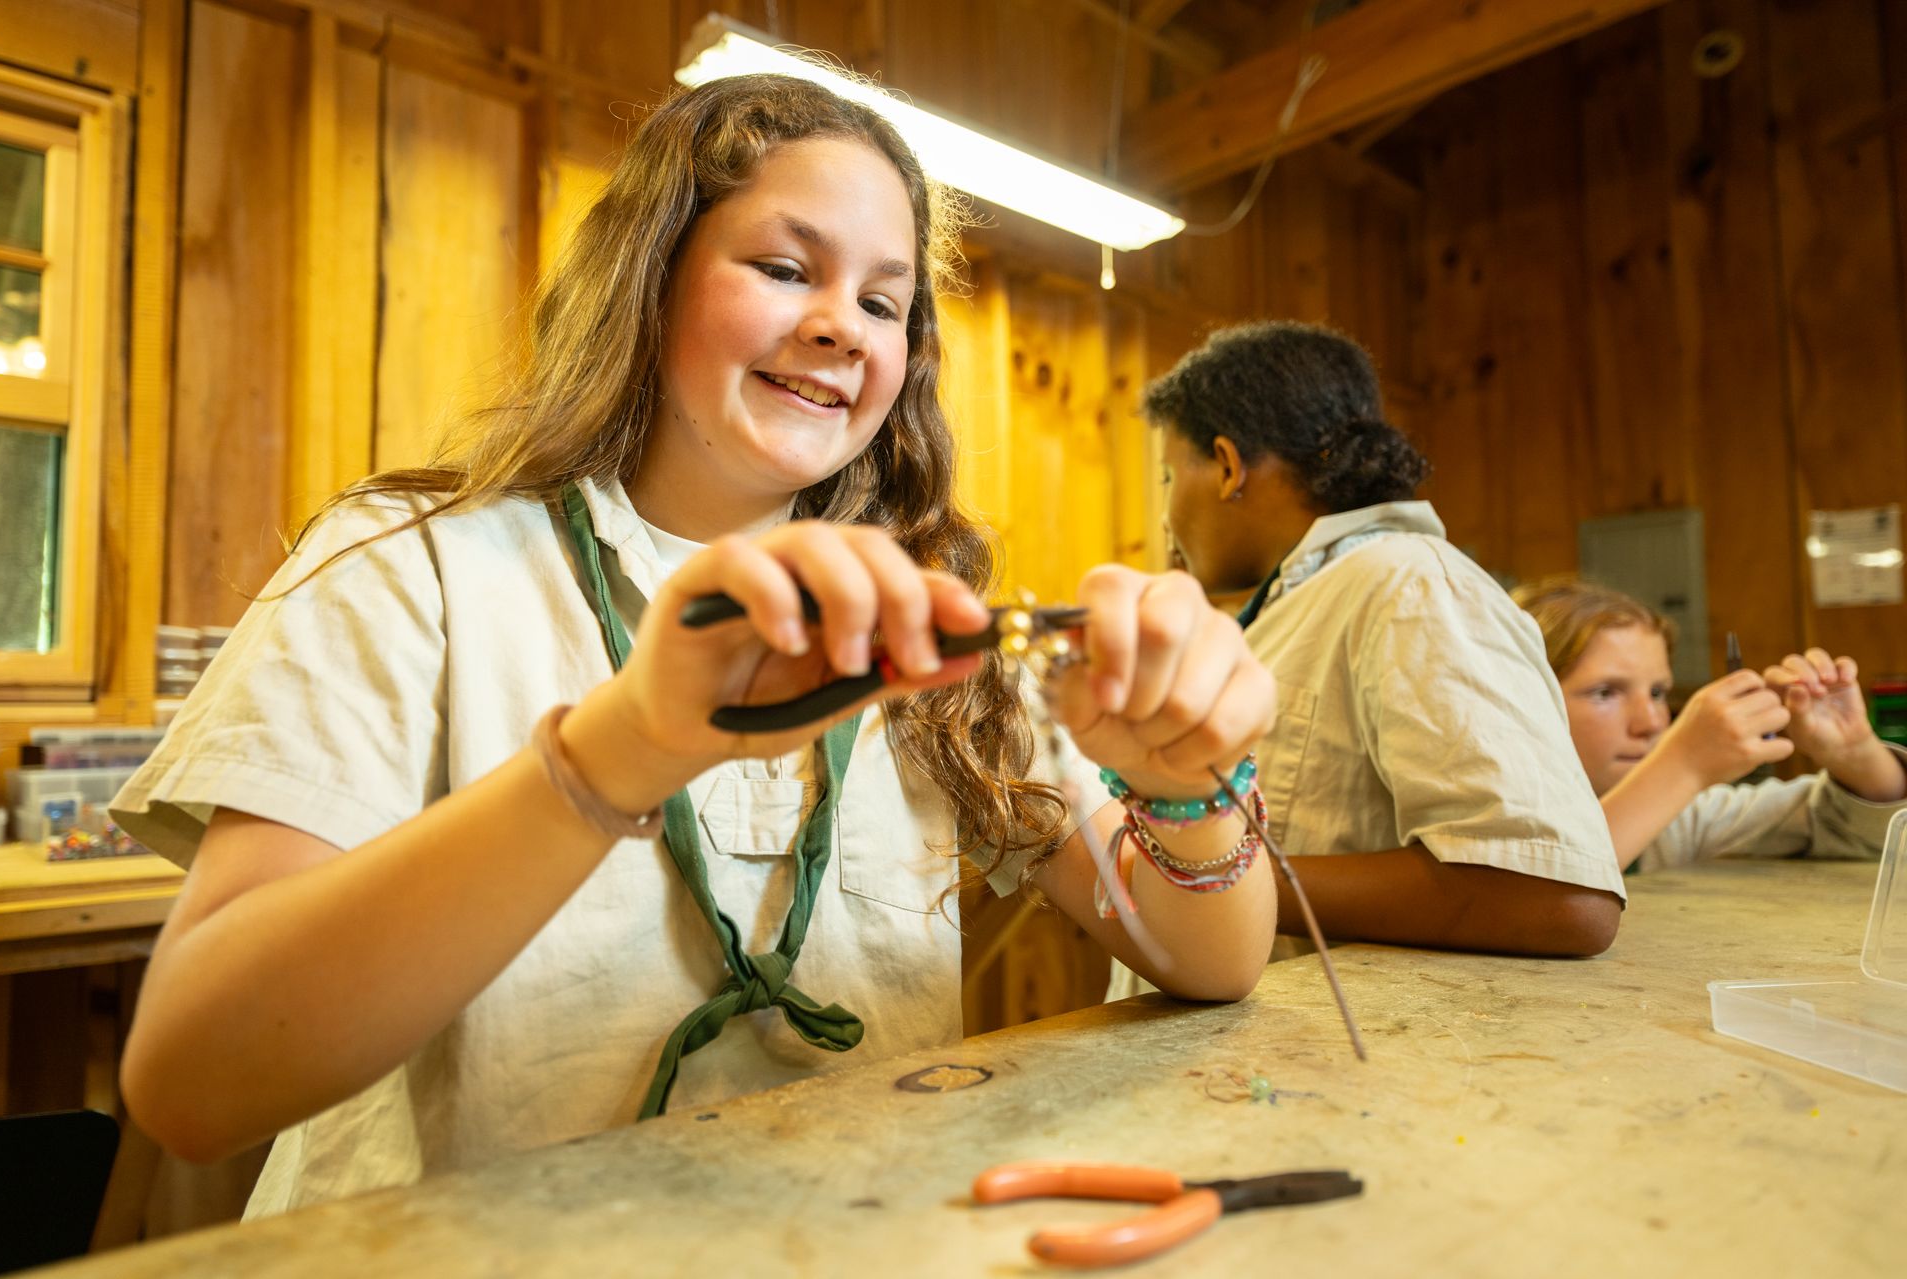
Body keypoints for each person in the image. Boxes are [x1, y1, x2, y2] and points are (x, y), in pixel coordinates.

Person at [109, 75, 1281, 1217]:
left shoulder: (926, 626)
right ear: (649, 278)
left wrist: (1187, 787)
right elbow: (194, 1081)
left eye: (884, 303)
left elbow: (1215, 959)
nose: (841, 324)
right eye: (784, 269)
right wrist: (620, 750)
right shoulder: (412, 564)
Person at [1112, 319, 1622, 1013]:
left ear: (1228, 466)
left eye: (1171, 475)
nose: (1167, 516)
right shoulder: (1296, 605)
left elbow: (1556, 896)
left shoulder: (1411, 585)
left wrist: (1199, 880)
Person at [1513, 579, 1907, 871]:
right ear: (1520, 699)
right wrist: (1683, 765)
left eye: (1657, 692)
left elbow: (1857, 830)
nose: (1652, 722)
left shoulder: (1683, 819)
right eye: (1605, 692)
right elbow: (1549, 884)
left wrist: (1855, 752)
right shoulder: (1491, 819)